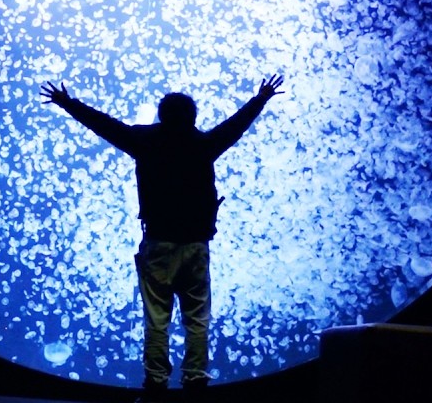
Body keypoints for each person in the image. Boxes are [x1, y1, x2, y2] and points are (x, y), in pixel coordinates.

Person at [40, 74, 285, 402]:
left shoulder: (145, 142)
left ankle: (155, 386)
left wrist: (68, 103)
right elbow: (235, 126)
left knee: (157, 318)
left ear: (162, 115)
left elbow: (104, 125)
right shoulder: (204, 145)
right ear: (193, 117)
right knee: (197, 319)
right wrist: (260, 99)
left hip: (158, 244)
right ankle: (195, 383)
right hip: (197, 245)